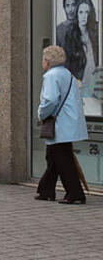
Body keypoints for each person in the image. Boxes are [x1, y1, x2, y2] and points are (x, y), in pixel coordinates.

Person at [36, 44, 87, 203]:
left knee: (62, 159)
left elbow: (50, 99)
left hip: (60, 123)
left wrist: (41, 113)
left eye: (43, 59)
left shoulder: (51, 76)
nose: (42, 62)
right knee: (53, 156)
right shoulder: (67, 73)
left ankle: (75, 194)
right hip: (69, 121)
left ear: (48, 61)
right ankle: (46, 190)